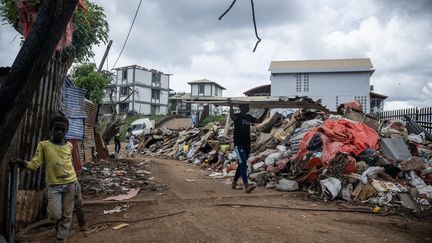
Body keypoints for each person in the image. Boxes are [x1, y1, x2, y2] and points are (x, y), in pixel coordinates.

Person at [12, 115, 77, 242]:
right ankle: (57, 225)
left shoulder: (69, 145)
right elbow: (34, 164)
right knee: (54, 215)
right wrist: (21, 162)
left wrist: (76, 182)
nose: (59, 132)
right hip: (55, 186)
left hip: (71, 183)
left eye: (62, 130)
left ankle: (60, 239)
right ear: (51, 129)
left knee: (67, 215)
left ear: (67, 130)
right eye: (56, 129)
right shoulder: (44, 145)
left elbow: (70, 163)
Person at [228, 98, 269, 193]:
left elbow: (259, 120)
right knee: (243, 164)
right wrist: (230, 105)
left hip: (247, 144)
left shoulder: (249, 117)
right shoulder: (237, 116)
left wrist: (266, 110)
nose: (247, 108)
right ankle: (247, 186)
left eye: (247, 107)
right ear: (241, 108)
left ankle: (234, 182)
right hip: (239, 144)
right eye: (245, 106)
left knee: (241, 164)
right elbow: (232, 117)